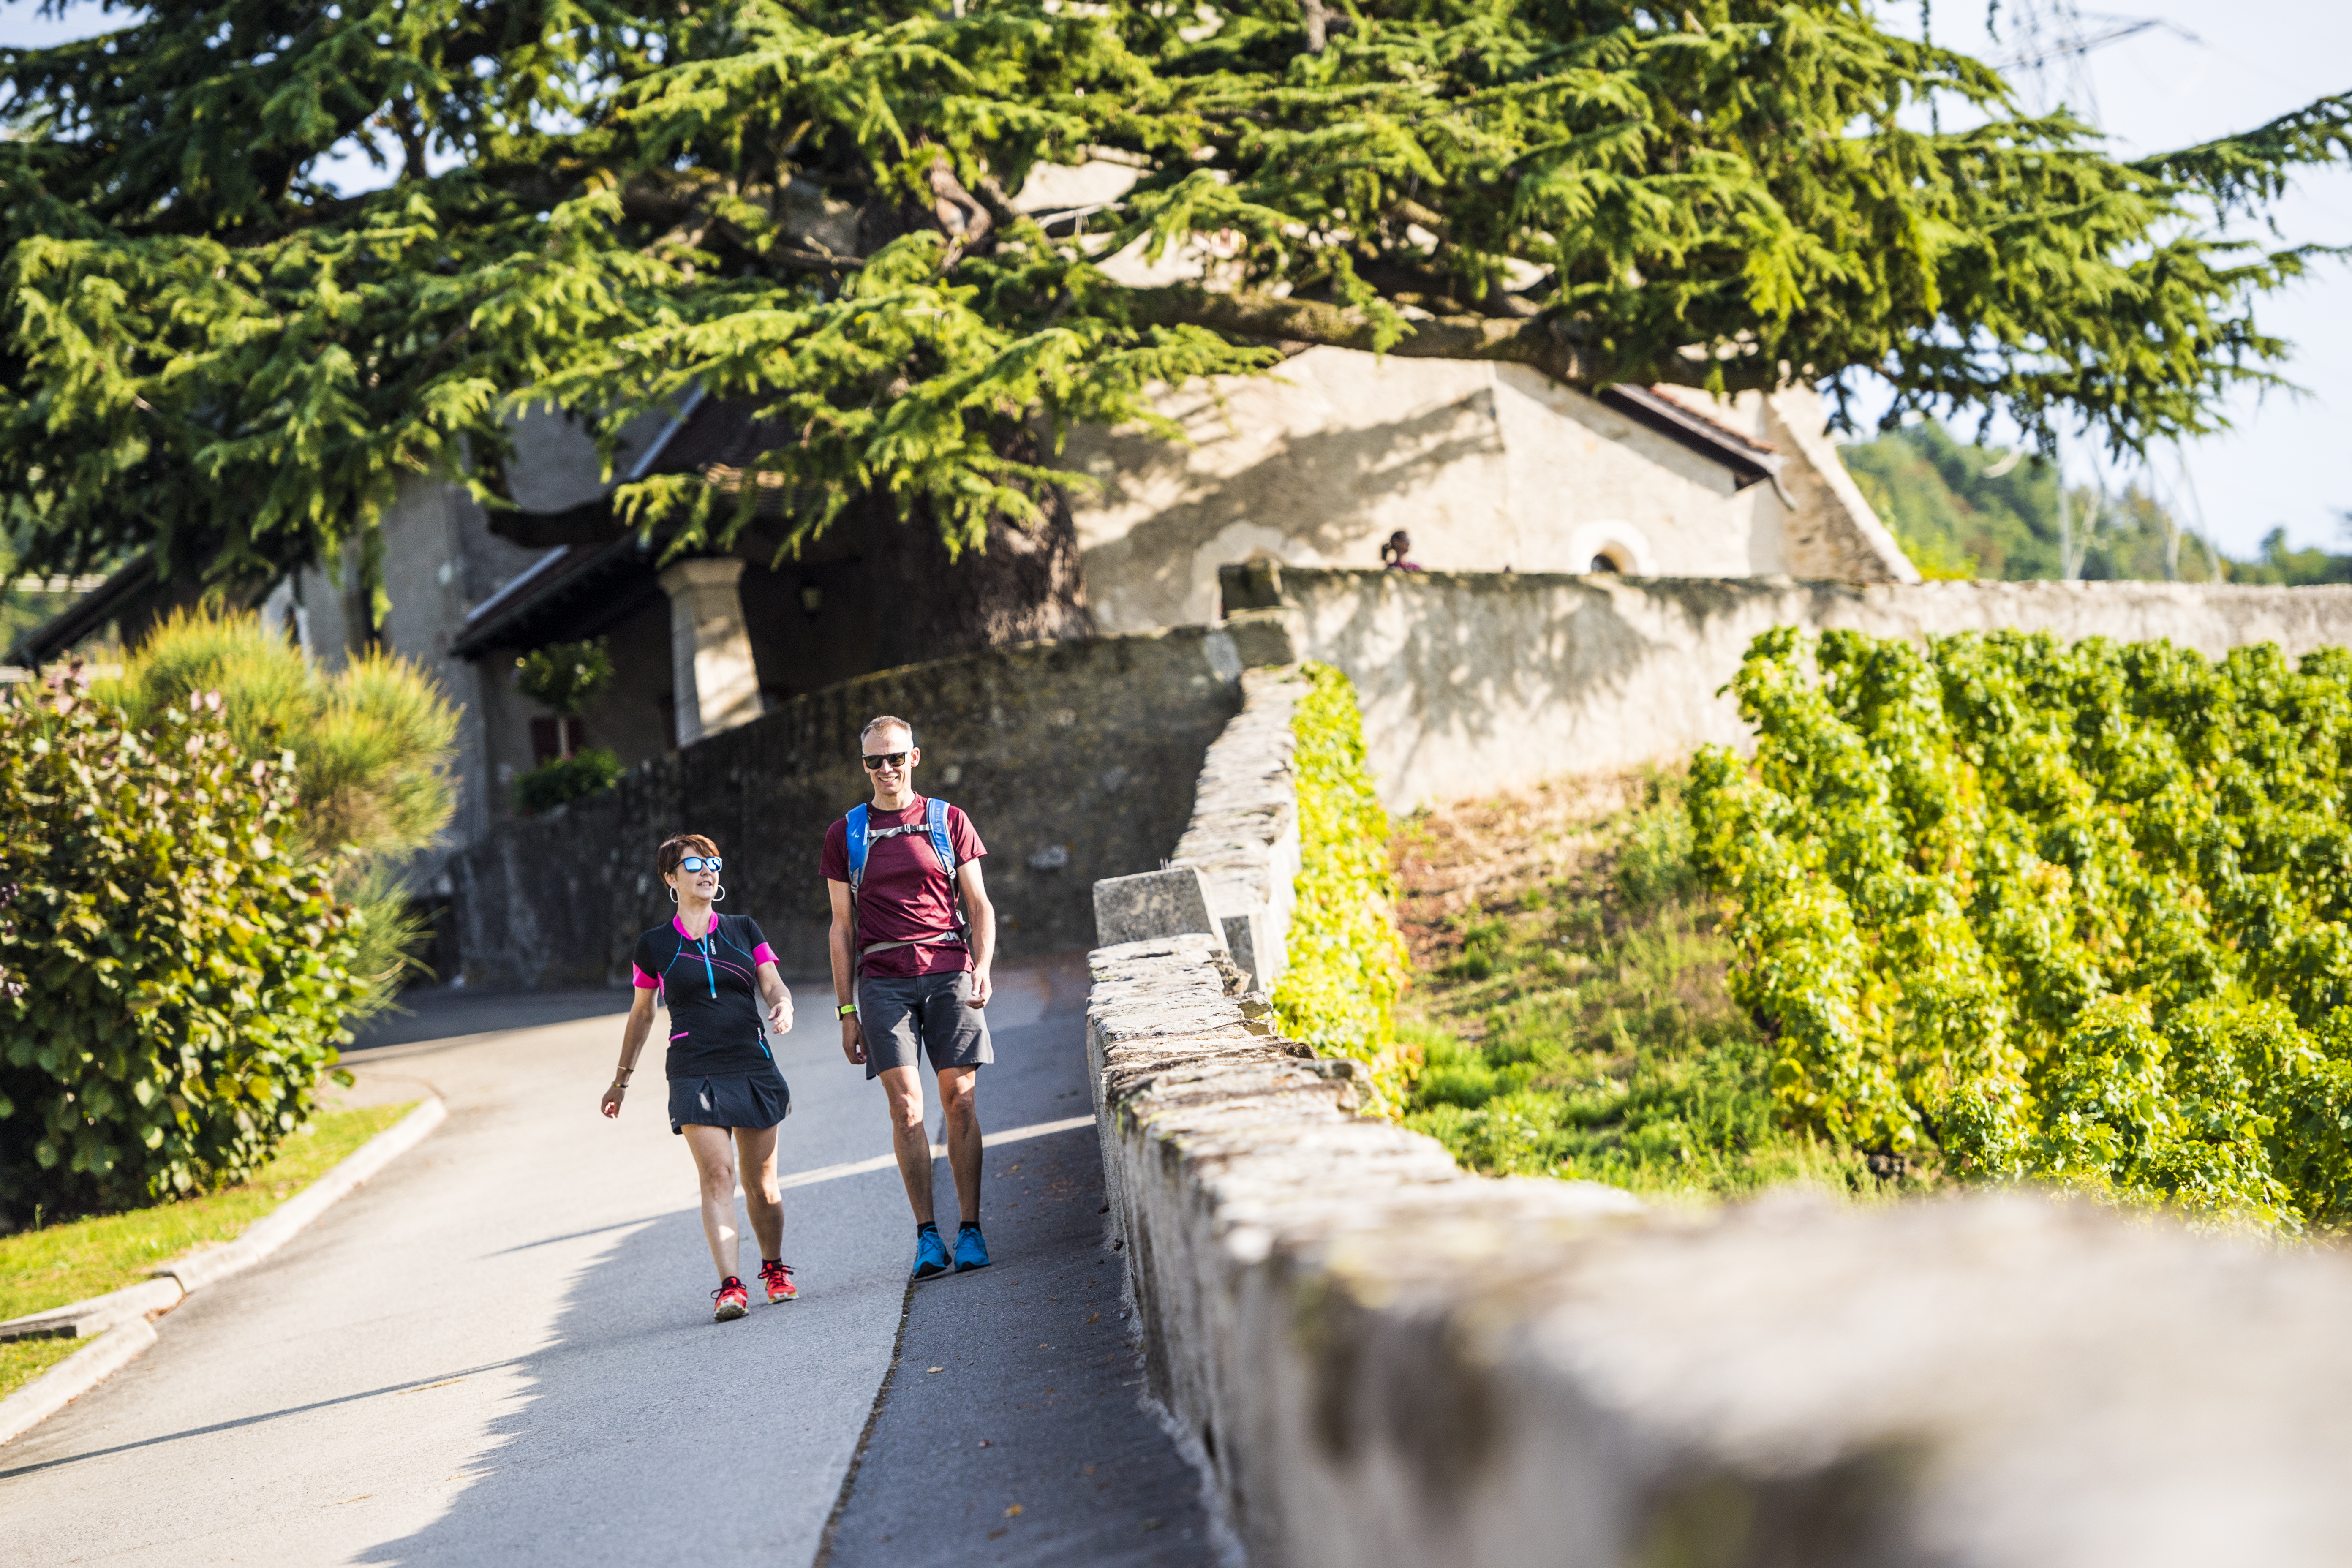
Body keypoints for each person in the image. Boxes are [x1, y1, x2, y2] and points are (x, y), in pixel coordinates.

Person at [822, 716, 998, 1281]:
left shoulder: (948, 820)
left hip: (948, 969)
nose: (886, 769)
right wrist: (846, 1009)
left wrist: (984, 966)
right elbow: (841, 927)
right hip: (883, 981)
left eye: (895, 757)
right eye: (875, 761)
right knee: (906, 1109)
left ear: (915, 757)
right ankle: (927, 1235)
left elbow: (980, 904)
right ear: (864, 765)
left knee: (961, 1102)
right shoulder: (844, 834)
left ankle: (969, 1228)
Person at [600, 834, 799, 1322]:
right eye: (694, 864)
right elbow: (642, 1013)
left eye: (714, 862)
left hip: (751, 1063)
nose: (708, 871)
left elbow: (770, 979)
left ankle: (773, 1267)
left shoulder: (743, 928)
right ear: (671, 878)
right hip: (693, 1070)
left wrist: (782, 1002)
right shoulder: (654, 945)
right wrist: (621, 1080)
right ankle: (730, 1286)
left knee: (763, 1186)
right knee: (717, 1175)